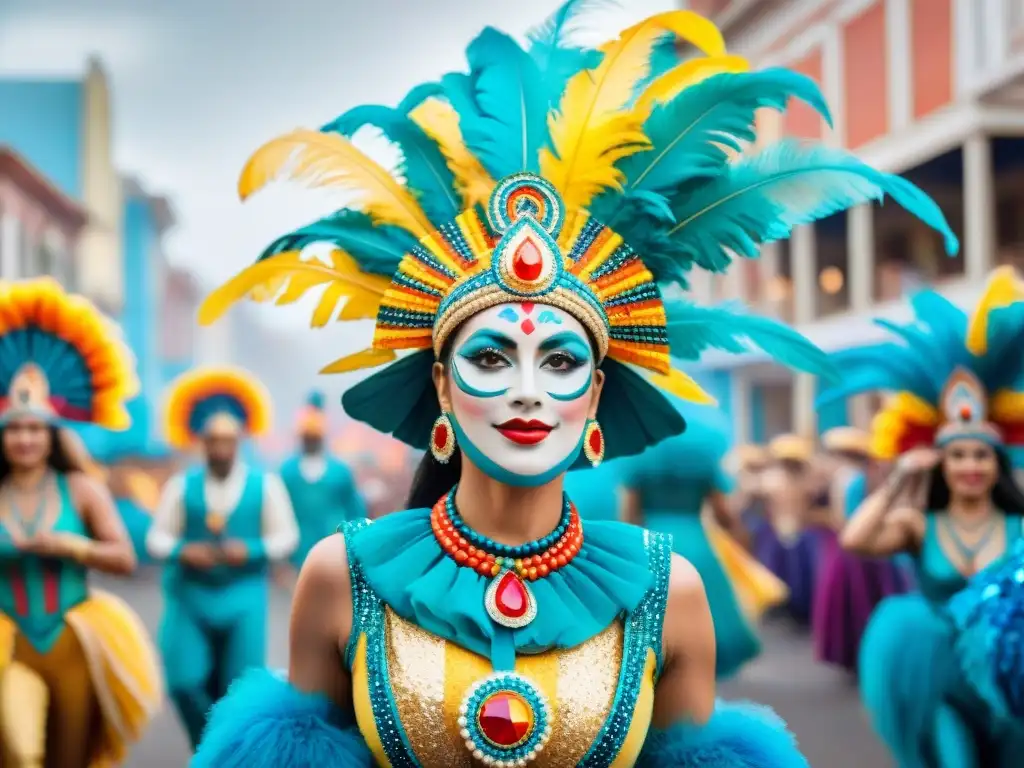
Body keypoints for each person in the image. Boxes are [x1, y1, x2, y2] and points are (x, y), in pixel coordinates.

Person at [187, 5, 955, 765]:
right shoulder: (342, 576)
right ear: (442, 392)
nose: (528, 390)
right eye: (490, 359)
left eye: (560, 363)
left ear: (594, 398)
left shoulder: (667, 591)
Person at [819, 267, 1024, 766]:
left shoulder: (1019, 525)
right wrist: (900, 476)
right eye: (958, 456)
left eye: (981, 456)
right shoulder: (918, 523)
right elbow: (856, 538)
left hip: (1006, 678)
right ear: (942, 462)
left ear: (998, 464)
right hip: (937, 676)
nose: (970, 466)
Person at [0, 278, 161, 768]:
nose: (25, 439)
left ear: (51, 435)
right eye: (15, 429)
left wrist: (74, 546)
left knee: (71, 758)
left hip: (75, 644)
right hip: (7, 646)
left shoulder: (83, 490)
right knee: (17, 753)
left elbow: (123, 558)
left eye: (35, 428)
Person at [146, 366, 299, 750]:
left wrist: (250, 550)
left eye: (228, 441)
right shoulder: (183, 485)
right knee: (183, 683)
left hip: (243, 596)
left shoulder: (265, 485)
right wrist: (184, 550)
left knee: (239, 691)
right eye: (213, 440)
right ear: (202, 442)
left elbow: (286, 537)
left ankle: (225, 751)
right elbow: (157, 538)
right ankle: (209, 746)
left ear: (241, 441)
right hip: (191, 596)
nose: (220, 449)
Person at [620, 400, 786, 679]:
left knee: (654, 618)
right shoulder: (704, 462)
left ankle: (661, 671)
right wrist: (742, 536)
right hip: (697, 543)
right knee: (705, 617)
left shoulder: (640, 461)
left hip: (652, 544)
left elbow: (629, 517)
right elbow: (724, 514)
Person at [811, 427, 914, 674]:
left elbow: (839, 519)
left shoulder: (845, 478)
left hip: (853, 550)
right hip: (871, 549)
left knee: (854, 605)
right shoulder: (865, 477)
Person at [280, 391, 366, 569]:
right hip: (295, 553)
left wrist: (354, 545)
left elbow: (354, 511)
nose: (311, 441)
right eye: (307, 436)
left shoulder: (340, 471)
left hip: (333, 551)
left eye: (314, 437)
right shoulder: (286, 472)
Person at [753, 434, 832, 626]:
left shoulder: (806, 478)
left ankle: (800, 609)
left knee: (801, 572)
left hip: (801, 530)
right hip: (780, 529)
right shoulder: (773, 478)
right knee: (780, 571)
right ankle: (784, 607)